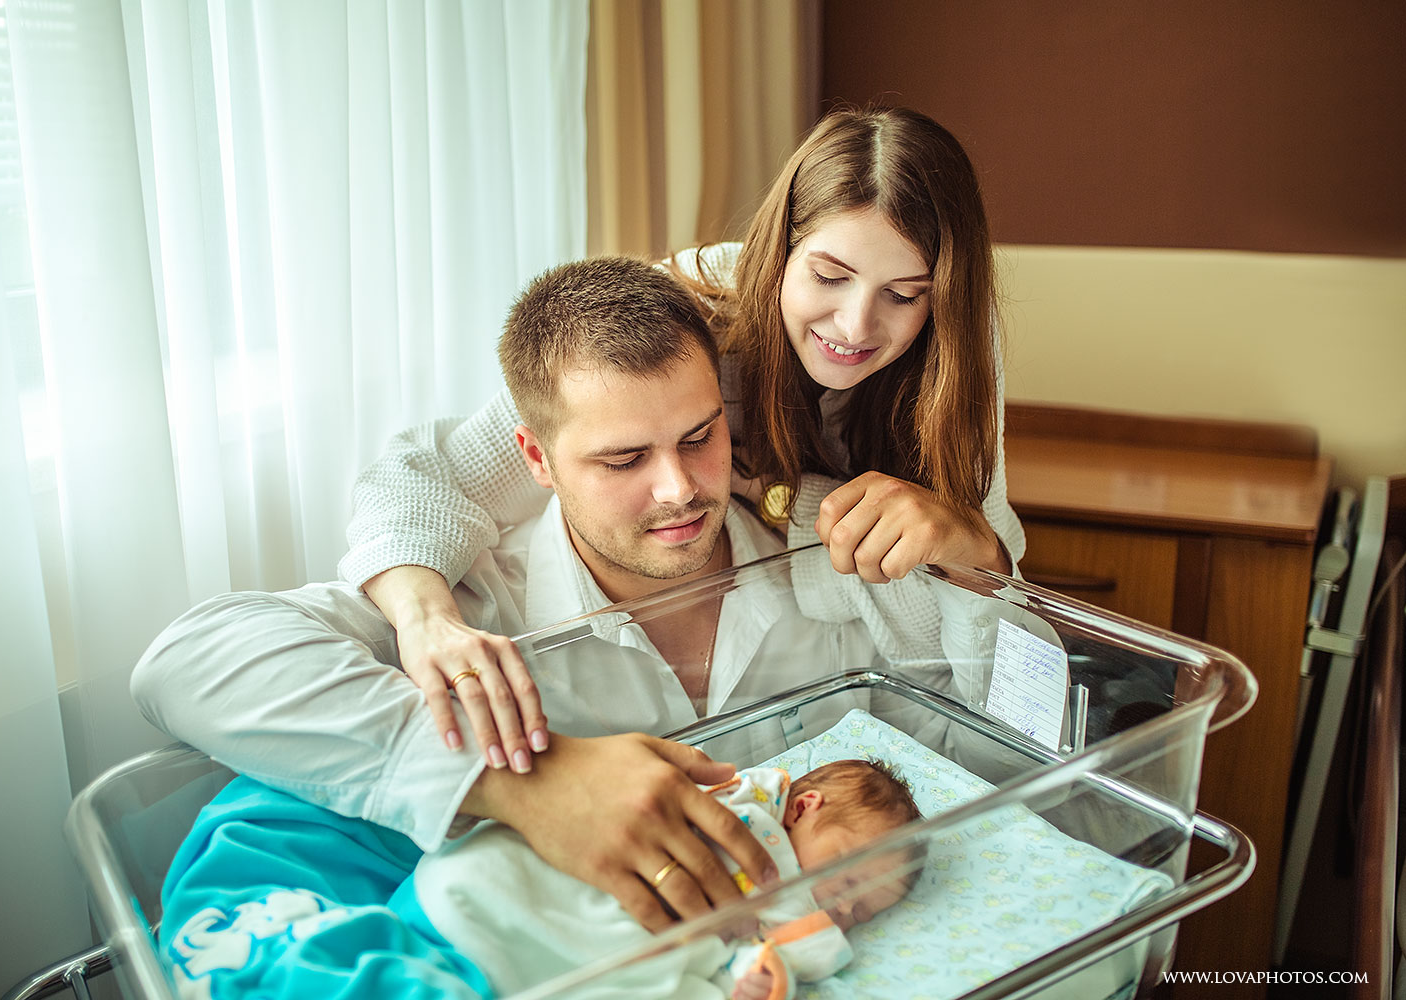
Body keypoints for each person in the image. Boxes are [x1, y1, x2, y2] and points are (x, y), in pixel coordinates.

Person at [134, 256, 973, 949]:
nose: (679, 489)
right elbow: (183, 662)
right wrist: (522, 782)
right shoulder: (481, 602)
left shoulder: (828, 574)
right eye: (622, 460)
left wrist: (975, 555)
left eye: (699, 437)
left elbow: (999, 742)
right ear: (535, 458)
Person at [337, 106, 1027, 775]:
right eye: (828, 277)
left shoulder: (958, 352)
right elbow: (430, 476)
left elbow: (998, 641)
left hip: (851, 625)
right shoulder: (692, 306)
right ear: (777, 250)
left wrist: (970, 546)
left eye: (904, 294)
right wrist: (427, 620)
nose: (854, 325)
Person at [406, 758, 923, 1000]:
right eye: (846, 876)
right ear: (804, 808)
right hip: (536, 883)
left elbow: (744, 948)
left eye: (863, 912)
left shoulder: (785, 914)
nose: (843, 907)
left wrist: (758, 977)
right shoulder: (747, 812)